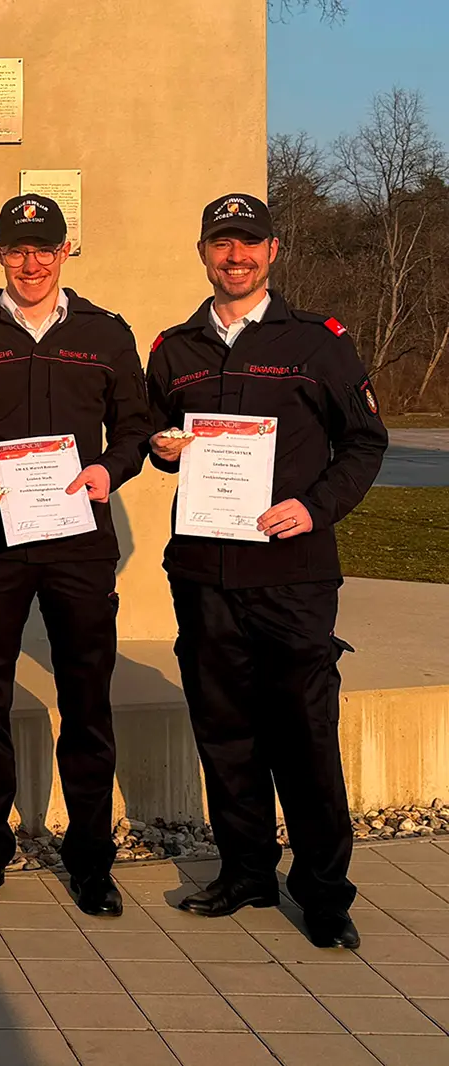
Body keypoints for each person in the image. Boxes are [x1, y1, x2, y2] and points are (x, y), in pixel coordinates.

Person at [147, 193, 387, 950]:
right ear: (204, 251)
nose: (236, 256)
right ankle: (247, 870)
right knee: (225, 734)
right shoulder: (175, 347)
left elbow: (365, 443)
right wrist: (160, 450)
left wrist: (315, 509)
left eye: (249, 243)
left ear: (273, 251)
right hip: (204, 574)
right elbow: (156, 434)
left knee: (306, 736)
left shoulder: (319, 343)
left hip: (293, 576)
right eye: (222, 243)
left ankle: (323, 892)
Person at [0, 195, 150, 915]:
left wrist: (110, 471)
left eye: (45, 249)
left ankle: (90, 859)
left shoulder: (106, 333)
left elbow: (136, 425)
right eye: (18, 249)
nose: (32, 262)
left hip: (80, 543)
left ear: (65, 254)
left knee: (85, 699)